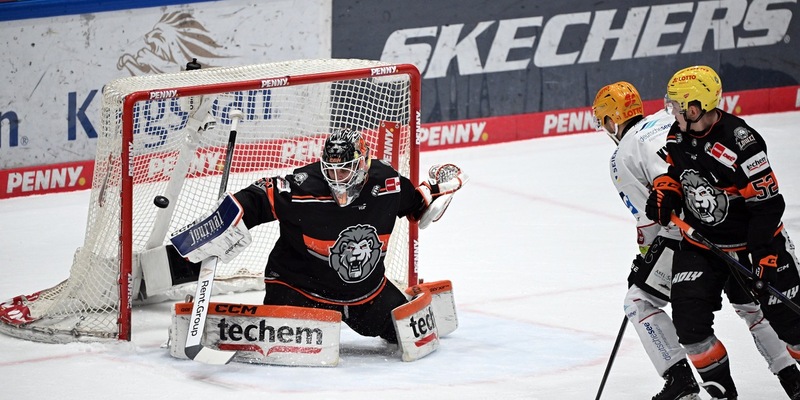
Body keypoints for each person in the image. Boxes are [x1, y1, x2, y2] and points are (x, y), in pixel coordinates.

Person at [593, 81, 800, 400]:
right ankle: (792, 380)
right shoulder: (670, 120)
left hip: (689, 234)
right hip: (736, 221)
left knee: (638, 299)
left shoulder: (622, 155)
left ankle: (681, 381)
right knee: (751, 303)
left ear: (611, 120)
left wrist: (646, 257)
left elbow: (650, 221)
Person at [178, 127, 466, 346]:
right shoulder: (304, 186)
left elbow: (417, 208)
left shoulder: (387, 183)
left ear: (364, 164)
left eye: (345, 169)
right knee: (281, 343)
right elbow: (256, 198)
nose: (337, 178)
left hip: (364, 293)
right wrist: (222, 221)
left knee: (404, 336)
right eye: (331, 170)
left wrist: (437, 191)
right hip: (299, 288)